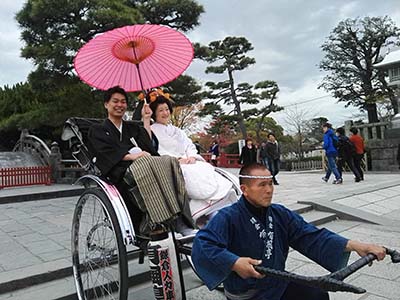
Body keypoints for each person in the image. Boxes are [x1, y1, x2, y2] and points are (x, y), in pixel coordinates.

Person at [192, 163, 386, 300]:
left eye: (270, 184)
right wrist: (234, 262)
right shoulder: (227, 217)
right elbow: (203, 244)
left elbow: (309, 235)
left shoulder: (279, 214)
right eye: (262, 185)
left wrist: (355, 245)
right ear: (245, 189)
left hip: (276, 284)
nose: (269, 190)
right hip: (247, 293)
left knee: (317, 295)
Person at [87, 86, 193, 235]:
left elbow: (149, 148)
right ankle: (158, 222)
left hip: (144, 165)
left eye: (123, 102)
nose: (120, 105)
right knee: (145, 164)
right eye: (115, 101)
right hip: (119, 172)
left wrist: (146, 118)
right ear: (106, 104)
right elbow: (103, 153)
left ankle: (181, 221)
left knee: (169, 162)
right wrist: (131, 156)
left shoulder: (132, 128)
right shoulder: (97, 129)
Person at [149, 95, 236, 224]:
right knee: (191, 174)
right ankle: (208, 209)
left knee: (206, 168)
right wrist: (176, 160)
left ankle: (220, 202)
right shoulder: (152, 131)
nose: (165, 113)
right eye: (160, 110)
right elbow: (157, 151)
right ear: (154, 113)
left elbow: (189, 145)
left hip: (188, 160)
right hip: (172, 164)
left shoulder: (177, 130)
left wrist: (191, 156)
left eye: (167, 109)